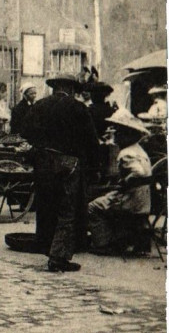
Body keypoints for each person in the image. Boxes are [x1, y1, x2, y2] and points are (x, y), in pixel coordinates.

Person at [19, 73, 100, 273]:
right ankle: (58, 257)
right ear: (72, 89)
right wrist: (94, 166)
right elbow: (91, 141)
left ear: (54, 87)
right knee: (67, 210)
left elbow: (25, 132)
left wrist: (42, 143)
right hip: (68, 163)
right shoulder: (78, 108)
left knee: (47, 206)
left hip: (43, 162)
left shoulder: (39, 105)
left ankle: (48, 249)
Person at [88, 108, 153, 255]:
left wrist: (125, 181)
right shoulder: (139, 150)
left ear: (126, 134)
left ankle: (103, 243)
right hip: (142, 200)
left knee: (92, 207)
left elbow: (139, 172)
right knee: (105, 197)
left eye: (118, 131)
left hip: (130, 200)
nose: (115, 134)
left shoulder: (126, 153)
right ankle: (116, 239)